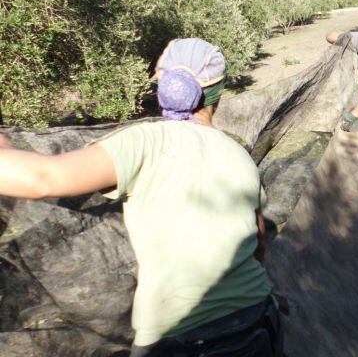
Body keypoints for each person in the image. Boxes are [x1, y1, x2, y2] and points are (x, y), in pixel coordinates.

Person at [0, 38, 282, 356]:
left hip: (179, 336)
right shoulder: (238, 153)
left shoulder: (144, 142)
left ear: (163, 86)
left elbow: (43, 179)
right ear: (218, 95)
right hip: (257, 319)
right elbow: (259, 243)